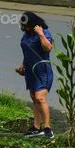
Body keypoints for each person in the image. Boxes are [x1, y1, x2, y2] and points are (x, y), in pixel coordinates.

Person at [16, 11, 54, 139]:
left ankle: (48, 128)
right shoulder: (26, 35)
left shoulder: (44, 32)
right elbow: (27, 50)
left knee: (40, 98)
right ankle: (36, 127)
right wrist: (23, 64)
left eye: (27, 25)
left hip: (42, 70)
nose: (25, 28)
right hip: (30, 71)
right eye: (23, 26)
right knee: (34, 99)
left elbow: (48, 48)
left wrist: (41, 35)